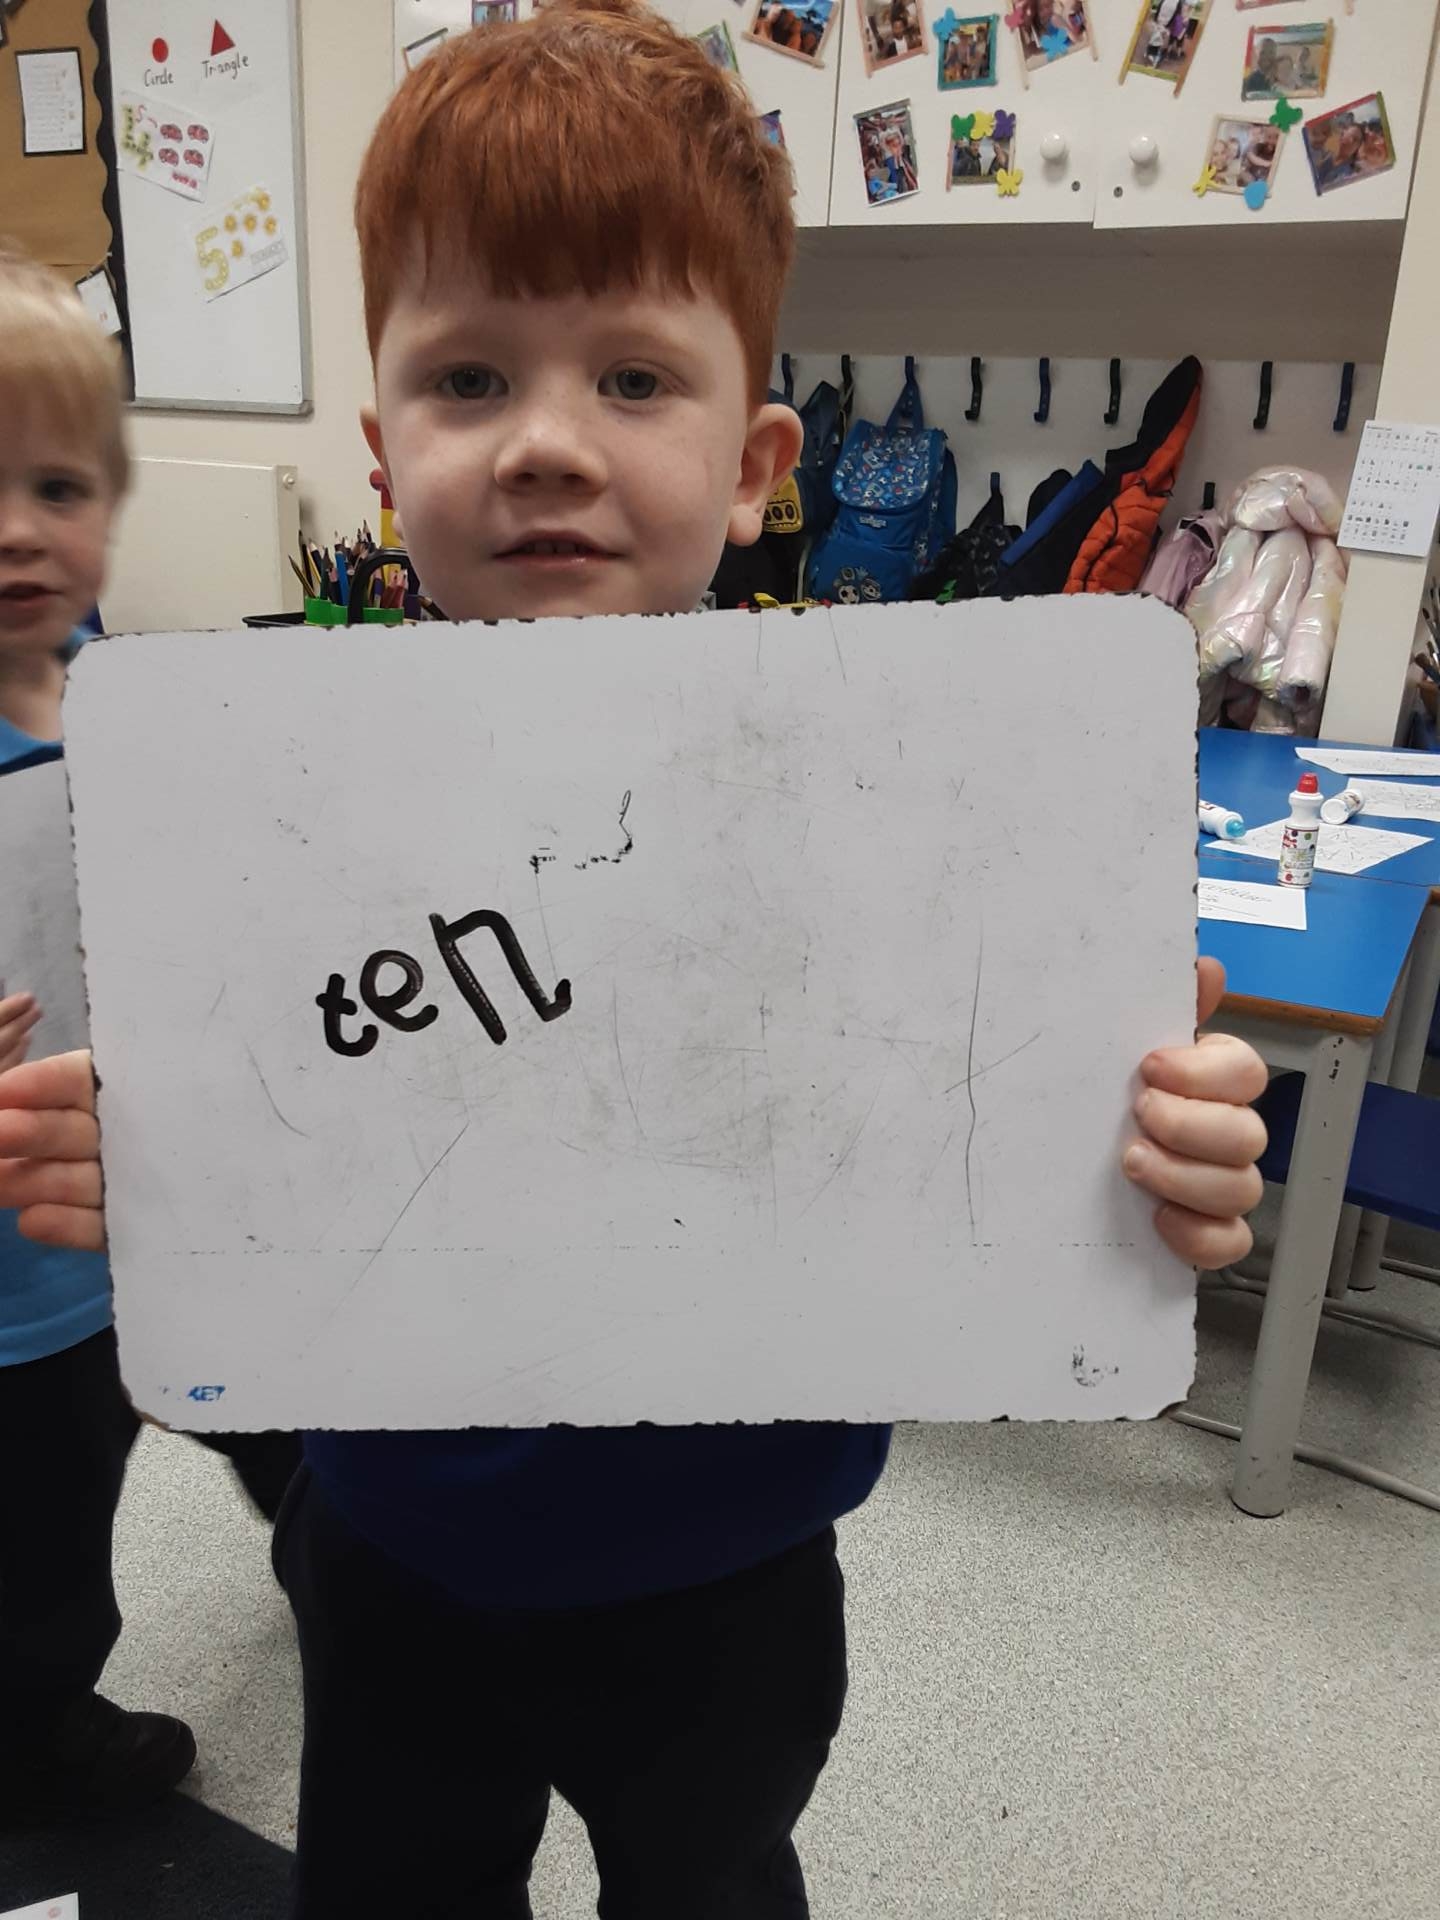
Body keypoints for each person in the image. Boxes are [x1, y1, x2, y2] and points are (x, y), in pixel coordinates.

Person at [0, 3, 1269, 1909]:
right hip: (394, 1546)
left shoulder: (890, 803)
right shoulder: (285, 811)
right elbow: (276, 1092)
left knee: (712, 1877)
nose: (545, 445)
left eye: (633, 379)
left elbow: (1001, 1119)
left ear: (758, 462)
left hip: (731, 1564)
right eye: (469, 378)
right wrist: (157, 1164)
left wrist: (1149, 1141)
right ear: (382, 451)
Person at [0, 245, 300, 1828]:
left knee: (265, 1406)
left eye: (55, 487)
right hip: (19, 1286)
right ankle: (36, 1724)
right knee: (43, 1531)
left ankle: (341, 1547)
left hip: (168, 1209)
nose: (15, 530)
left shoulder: (126, 702)